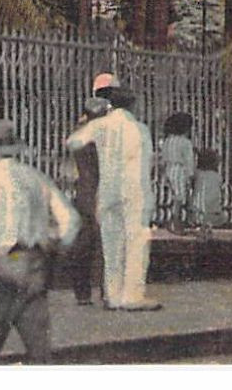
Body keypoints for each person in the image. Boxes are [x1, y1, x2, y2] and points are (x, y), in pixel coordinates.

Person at [0, 119, 80, 362]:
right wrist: (55, 242)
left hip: (4, 264)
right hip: (36, 262)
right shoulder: (35, 177)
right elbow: (71, 219)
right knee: (38, 346)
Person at [65, 85, 161, 310]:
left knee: (111, 245)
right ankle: (133, 296)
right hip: (134, 190)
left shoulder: (100, 125)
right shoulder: (141, 129)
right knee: (135, 243)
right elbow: (147, 162)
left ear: (111, 105)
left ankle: (113, 294)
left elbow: (73, 142)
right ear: (133, 105)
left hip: (107, 191)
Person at [66, 96, 111, 305]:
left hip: (83, 194)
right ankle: (106, 291)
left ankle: (82, 293)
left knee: (83, 245)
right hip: (101, 194)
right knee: (105, 246)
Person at [158, 112, 198, 232]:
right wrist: (191, 176)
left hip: (169, 168)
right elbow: (189, 160)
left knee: (175, 197)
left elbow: (163, 158)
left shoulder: (168, 141)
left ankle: (173, 221)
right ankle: (177, 223)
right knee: (181, 198)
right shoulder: (185, 142)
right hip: (180, 170)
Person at [190, 147, 224, 234]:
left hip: (197, 213)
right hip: (215, 214)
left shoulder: (198, 174)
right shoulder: (218, 177)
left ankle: (202, 226)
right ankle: (207, 227)